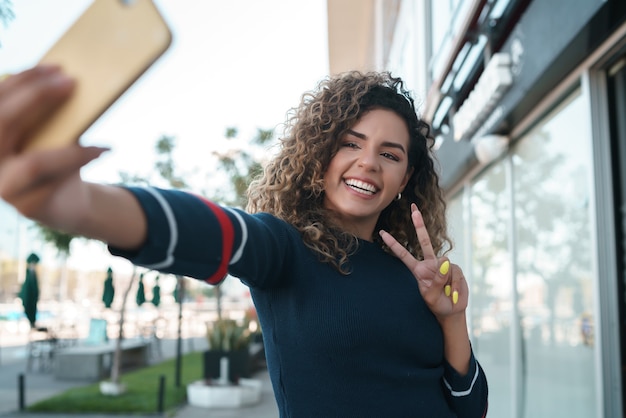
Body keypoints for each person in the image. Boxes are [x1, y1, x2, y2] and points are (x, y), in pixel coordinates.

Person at [0, 65, 488, 417]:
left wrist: (452, 318)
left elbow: (472, 408)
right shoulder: (284, 250)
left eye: (390, 153)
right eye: (350, 143)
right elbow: (215, 231)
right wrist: (83, 206)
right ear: (319, 158)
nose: (368, 163)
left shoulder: (416, 275)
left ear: (404, 178)